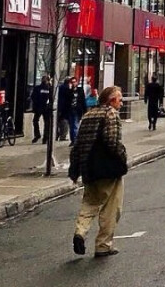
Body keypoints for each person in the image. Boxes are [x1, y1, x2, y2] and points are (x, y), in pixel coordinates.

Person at [69, 85, 128, 259]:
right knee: (111, 207)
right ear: (111, 100)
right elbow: (112, 141)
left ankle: (80, 232)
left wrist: (75, 168)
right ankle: (103, 245)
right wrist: (122, 157)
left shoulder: (88, 114)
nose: (122, 103)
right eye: (120, 99)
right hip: (107, 169)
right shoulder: (111, 114)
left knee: (89, 202)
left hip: (88, 168)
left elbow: (78, 144)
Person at [30, 74, 53, 144]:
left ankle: (38, 135)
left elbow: (33, 97)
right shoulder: (49, 89)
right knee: (46, 122)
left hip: (39, 107)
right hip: (45, 107)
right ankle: (45, 137)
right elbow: (52, 99)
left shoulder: (38, 88)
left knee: (36, 121)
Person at [57, 76, 74, 141]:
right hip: (65, 107)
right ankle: (63, 136)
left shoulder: (60, 87)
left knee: (59, 121)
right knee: (64, 122)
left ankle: (57, 134)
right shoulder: (67, 88)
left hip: (60, 106)